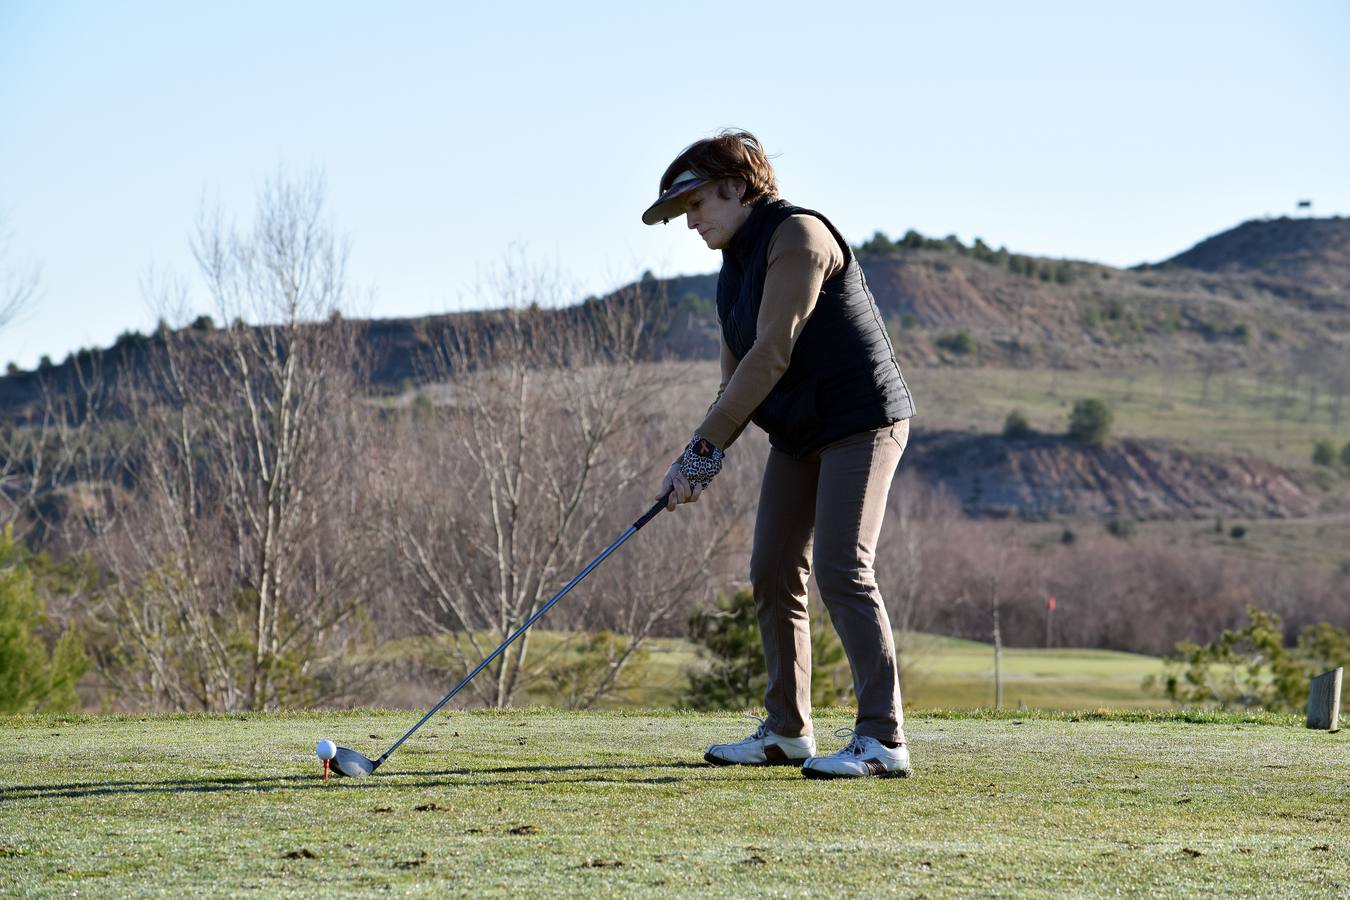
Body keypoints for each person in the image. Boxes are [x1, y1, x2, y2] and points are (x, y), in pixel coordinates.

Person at [644, 129, 917, 780]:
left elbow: (772, 353)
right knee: (771, 569)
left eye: (697, 204)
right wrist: (699, 462)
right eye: (683, 213)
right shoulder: (732, 271)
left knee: (842, 570)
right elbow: (734, 375)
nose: (692, 223)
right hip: (799, 434)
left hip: (862, 422)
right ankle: (788, 731)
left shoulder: (798, 237)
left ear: (736, 188)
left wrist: (702, 451)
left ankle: (883, 741)